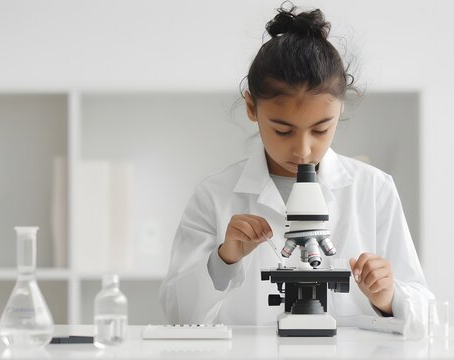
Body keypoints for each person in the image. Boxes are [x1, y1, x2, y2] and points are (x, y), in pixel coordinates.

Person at [159, 3, 434, 329]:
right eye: (283, 130)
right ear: (251, 107)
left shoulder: (374, 189)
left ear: (340, 108)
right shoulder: (214, 195)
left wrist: (388, 297)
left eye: (320, 129)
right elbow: (176, 315)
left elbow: (424, 311)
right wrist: (224, 259)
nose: (303, 149)